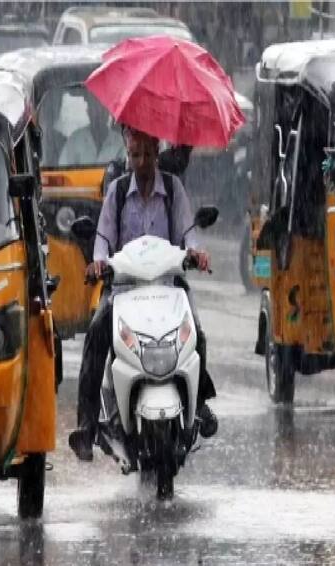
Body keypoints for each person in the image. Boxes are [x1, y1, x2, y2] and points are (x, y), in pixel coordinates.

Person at [68, 126, 218, 462]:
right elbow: (103, 239)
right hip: (123, 288)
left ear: (157, 152)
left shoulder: (174, 190)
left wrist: (197, 252)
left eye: (148, 155)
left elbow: (188, 232)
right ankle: (87, 425)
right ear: (128, 155)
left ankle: (199, 402)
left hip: (168, 285)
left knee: (197, 334)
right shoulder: (117, 192)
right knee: (95, 337)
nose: (143, 163)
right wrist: (98, 263)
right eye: (136, 156)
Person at [58, 91, 123, 167]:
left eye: (101, 110)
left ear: (107, 112)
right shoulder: (75, 140)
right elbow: (63, 168)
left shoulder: (119, 142)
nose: (98, 115)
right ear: (88, 112)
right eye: (94, 109)